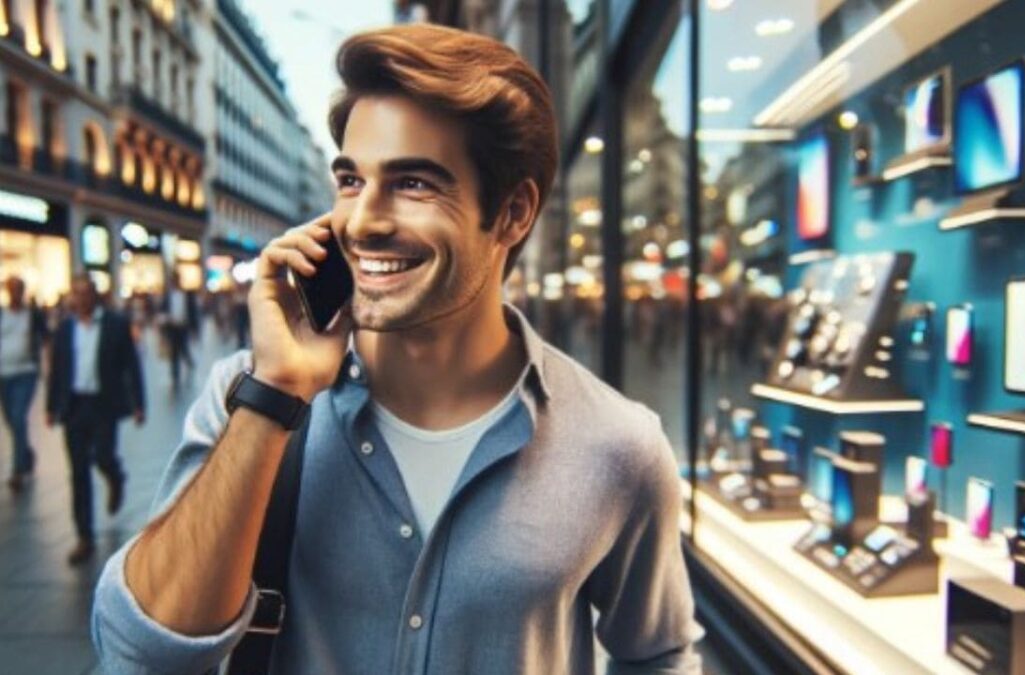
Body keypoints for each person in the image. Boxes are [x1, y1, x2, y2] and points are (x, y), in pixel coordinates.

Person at [92, 24, 701, 674]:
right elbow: (141, 650)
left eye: (413, 183)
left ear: (514, 212)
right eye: (351, 180)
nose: (362, 220)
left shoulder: (619, 446)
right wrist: (274, 398)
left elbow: (658, 655)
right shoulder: (250, 396)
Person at [46, 274, 145, 565]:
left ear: (95, 295)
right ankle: (84, 537)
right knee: (78, 472)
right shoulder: (64, 328)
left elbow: (131, 365)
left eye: (86, 293)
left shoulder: (115, 323)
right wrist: (51, 407)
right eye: (76, 294)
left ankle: (115, 477)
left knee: (103, 456)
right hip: (75, 406)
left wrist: (139, 404)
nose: (81, 299)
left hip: (104, 405)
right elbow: (57, 368)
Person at [0, 276, 48, 491]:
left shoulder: (33, 314)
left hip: (25, 372)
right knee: (11, 420)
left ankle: (18, 469)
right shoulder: (2, 314)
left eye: (18, 289)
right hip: (4, 374)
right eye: (12, 290)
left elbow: (47, 338)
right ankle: (26, 453)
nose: (15, 293)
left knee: (19, 417)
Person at [161, 274, 195, 389]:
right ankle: (175, 375)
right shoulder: (168, 297)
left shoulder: (186, 295)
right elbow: (163, 310)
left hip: (183, 326)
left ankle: (189, 361)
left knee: (183, 347)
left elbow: (191, 311)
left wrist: (192, 326)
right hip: (172, 327)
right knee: (174, 352)